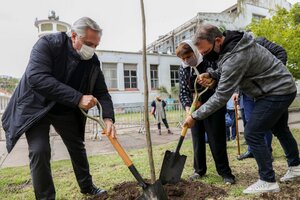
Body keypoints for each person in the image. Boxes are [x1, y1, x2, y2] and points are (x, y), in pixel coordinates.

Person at [1, 17, 116, 199]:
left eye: (95, 45)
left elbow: (102, 92)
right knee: (39, 150)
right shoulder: (47, 44)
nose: (92, 49)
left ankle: (87, 187)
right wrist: (78, 98)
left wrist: (108, 118)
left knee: (77, 146)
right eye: (88, 43)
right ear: (73, 36)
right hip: (37, 107)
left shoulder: (92, 61)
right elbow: (37, 77)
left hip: (64, 108)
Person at [183, 24, 300, 194]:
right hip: (280, 88)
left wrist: (195, 116)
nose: (205, 57)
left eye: (206, 53)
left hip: (276, 91)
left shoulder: (236, 55)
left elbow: (221, 96)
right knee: (280, 128)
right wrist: (213, 75)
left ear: (217, 41)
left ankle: (267, 180)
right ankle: (296, 167)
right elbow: (225, 67)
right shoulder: (232, 47)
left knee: (252, 132)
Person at [176, 40, 235, 184]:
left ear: (195, 51)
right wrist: (188, 108)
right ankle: (199, 170)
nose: (186, 60)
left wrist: (211, 82)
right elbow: (183, 91)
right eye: (183, 59)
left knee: (217, 139)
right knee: (197, 140)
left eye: (188, 56)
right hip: (194, 109)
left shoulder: (209, 61)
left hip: (213, 106)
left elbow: (221, 81)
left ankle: (225, 173)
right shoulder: (183, 69)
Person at [237, 37, 288, 160]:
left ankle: (266, 152)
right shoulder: (236, 52)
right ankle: (252, 150)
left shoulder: (259, 42)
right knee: (250, 122)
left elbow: (281, 52)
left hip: (263, 90)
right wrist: (236, 92)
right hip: (246, 93)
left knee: (262, 121)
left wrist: (273, 73)